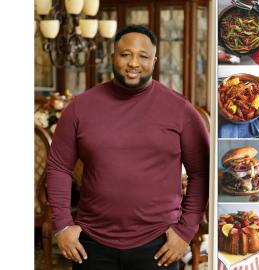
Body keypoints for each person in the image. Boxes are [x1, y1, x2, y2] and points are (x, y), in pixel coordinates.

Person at [47, 25, 209, 269]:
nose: (134, 63)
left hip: (159, 243)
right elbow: (58, 167)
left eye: (142, 56)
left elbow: (200, 173)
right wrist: (62, 225)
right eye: (125, 54)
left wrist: (185, 230)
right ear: (113, 56)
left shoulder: (181, 110)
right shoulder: (80, 107)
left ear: (154, 60)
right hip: (90, 243)